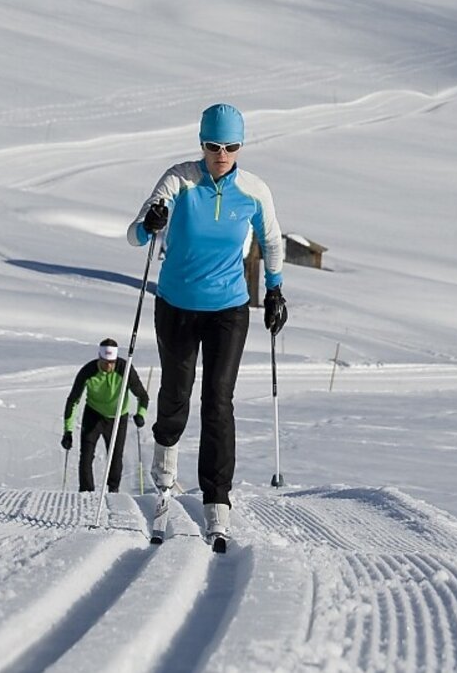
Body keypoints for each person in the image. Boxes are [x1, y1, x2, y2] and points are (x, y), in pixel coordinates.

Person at [126, 103, 288, 540]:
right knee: (177, 393)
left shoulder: (254, 190)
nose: (222, 154)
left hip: (229, 308)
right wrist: (151, 223)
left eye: (231, 146)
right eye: (214, 145)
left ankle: (217, 498)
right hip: (176, 304)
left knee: (219, 399)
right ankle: (164, 475)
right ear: (201, 143)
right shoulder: (180, 179)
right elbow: (135, 233)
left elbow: (272, 240)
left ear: (240, 147)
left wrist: (274, 289)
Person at [61, 338, 151, 493]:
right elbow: (72, 401)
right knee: (86, 456)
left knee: (115, 458)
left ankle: (113, 490)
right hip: (93, 414)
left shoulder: (125, 369)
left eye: (111, 362)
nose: (108, 366)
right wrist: (67, 432)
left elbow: (143, 396)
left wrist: (141, 414)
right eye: (104, 362)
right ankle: (86, 492)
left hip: (118, 417)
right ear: (99, 358)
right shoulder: (88, 372)